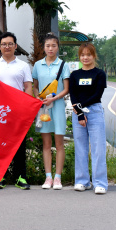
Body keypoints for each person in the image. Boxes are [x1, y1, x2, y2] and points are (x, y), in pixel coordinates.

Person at [0, 31, 34, 190]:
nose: (7, 47)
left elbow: (28, 86)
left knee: (19, 143)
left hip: (18, 110)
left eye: (10, 44)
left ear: (15, 46)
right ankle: (0, 175)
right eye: (4, 44)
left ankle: (20, 176)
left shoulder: (23, 65)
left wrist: (26, 106)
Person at [32, 32, 70, 190]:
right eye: (48, 46)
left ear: (58, 47)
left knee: (59, 144)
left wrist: (53, 99)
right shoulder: (37, 65)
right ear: (44, 48)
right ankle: (48, 177)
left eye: (53, 45)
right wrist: (39, 98)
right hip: (44, 108)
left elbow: (66, 89)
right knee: (46, 144)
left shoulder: (63, 65)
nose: (50, 48)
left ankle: (58, 178)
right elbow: (34, 86)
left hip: (58, 107)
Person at [70, 42, 108, 195]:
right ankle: (82, 181)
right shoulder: (75, 75)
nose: (85, 57)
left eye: (88, 54)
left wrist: (80, 106)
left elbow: (97, 95)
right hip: (77, 112)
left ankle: (100, 183)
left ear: (94, 56)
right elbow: (72, 94)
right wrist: (79, 112)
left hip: (94, 111)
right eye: (82, 54)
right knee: (80, 147)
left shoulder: (99, 74)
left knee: (98, 148)